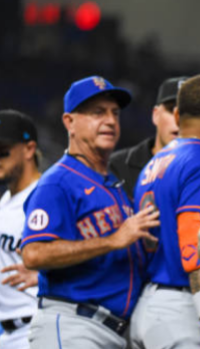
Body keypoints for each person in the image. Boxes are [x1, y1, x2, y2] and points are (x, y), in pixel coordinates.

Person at [20, 76, 160, 349]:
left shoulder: (113, 185)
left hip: (113, 331)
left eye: (114, 113)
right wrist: (113, 240)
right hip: (74, 325)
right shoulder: (58, 182)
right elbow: (34, 254)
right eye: (98, 112)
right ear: (69, 122)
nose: (109, 120)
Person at [131, 74, 200, 349]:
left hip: (148, 306)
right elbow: (195, 246)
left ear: (177, 114)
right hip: (186, 308)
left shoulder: (153, 164)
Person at [0, 110, 40, 349]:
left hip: (32, 330)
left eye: (3, 150)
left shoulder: (44, 196)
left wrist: (45, 276)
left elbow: (88, 256)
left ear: (29, 149)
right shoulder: (5, 200)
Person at [109, 76, 186, 200]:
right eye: (172, 110)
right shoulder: (118, 166)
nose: (179, 120)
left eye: (189, 113)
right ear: (155, 115)